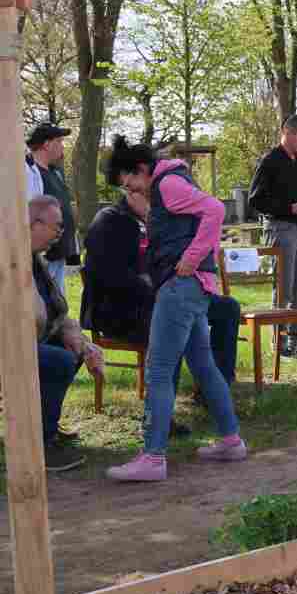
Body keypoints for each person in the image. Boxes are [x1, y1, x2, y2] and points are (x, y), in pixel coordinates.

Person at [104, 136, 247, 482]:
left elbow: (215, 210)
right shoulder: (172, 182)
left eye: (130, 184)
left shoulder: (167, 184)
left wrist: (191, 259)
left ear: (141, 170)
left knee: (159, 370)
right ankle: (231, 440)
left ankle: (152, 457)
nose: (132, 192)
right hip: (193, 288)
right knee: (203, 364)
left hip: (180, 286)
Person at [80, 189, 240, 431]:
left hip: (163, 299)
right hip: (120, 309)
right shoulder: (109, 221)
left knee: (226, 308)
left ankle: (215, 394)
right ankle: (160, 417)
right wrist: (159, 290)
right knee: (168, 322)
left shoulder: (162, 222)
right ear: (130, 193)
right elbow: (111, 276)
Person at [30, 195, 104, 473]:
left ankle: (45, 425)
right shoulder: (10, 261)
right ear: (35, 223)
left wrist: (81, 342)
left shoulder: (34, 260)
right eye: (57, 227)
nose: (60, 234)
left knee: (70, 354)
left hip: (28, 341)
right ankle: (41, 445)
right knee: (57, 360)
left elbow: (57, 310)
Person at [249, 115, 297, 357]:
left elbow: (296, 192)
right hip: (280, 228)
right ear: (287, 133)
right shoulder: (270, 160)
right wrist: (287, 208)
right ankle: (279, 345)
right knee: (284, 288)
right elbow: (256, 199)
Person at [26, 123, 77, 302]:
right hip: (43, 256)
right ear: (47, 144)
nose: (62, 146)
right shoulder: (29, 172)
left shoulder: (55, 172)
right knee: (43, 304)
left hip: (59, 251)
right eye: (59, 141)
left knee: (58, 303)